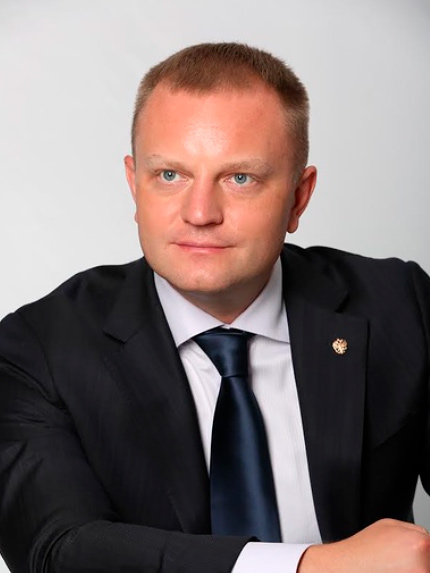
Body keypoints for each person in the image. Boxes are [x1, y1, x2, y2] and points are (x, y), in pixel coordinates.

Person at [0, 42, 429, 573]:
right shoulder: (38, 347)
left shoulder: (400, 304)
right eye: (170, 175)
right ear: (134, 184)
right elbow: (57, 549)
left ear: (299, 197)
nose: (200, 213)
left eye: (240, 178)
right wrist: (310, 567)